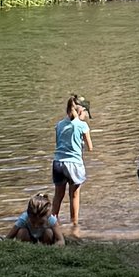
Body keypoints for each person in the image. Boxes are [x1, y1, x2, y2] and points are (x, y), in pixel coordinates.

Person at [51, 94, 93, 236]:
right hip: (74, 164)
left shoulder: (59, 124)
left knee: (58, 195)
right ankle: (74, 225)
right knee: (74, 196)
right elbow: (90, 147)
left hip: (58, 163)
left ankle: (52, 222)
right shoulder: (82, 125)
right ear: (81, 111)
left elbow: (58, 144)